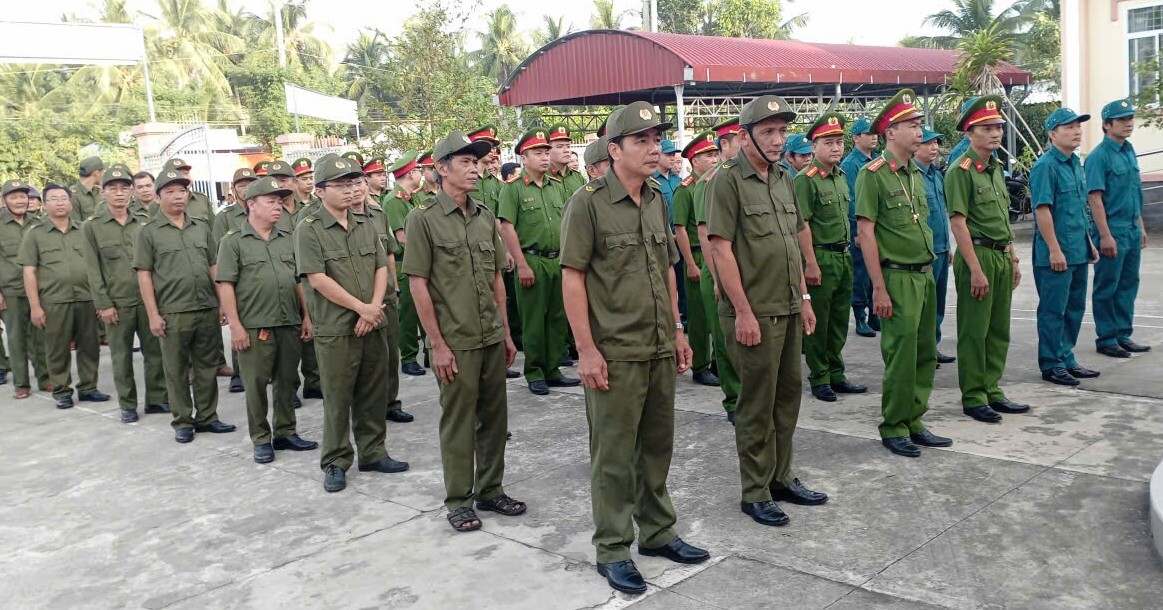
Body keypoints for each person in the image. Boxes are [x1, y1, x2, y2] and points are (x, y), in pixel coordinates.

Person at [562, 101, 709, 596]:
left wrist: (678, 328)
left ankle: (658, 532)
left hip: (657, 344)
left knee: (657, 446)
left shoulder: (656, 197)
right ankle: (613, 547)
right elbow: (573, 277)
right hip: (614, 350)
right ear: (615, 149)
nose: (654, 149)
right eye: (641, 141)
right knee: (613, 456)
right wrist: (585, 349)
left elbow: (667, 267)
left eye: (656, 140)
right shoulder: (587, 202)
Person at [707, 95, 827, 528]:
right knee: (757, 402)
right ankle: (754, 491)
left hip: (789, 307)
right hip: (754, 312)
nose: (778, 141)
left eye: (781, 132)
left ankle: (781, 477)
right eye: (769, 132)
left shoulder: (784, 177)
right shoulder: (726, 181)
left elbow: (792, 242)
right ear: (744, 136)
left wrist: (805, 300)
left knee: (788, 397)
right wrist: (741, 311)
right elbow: (719, 248)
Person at [405, 131, 523, 532]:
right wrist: (436, 344)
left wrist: (506, 333)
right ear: (442, 169)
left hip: (490, 335)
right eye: (465, 162)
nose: (475, 168)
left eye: (478, 162)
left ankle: (491, 490)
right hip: (455, 340)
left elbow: (495, 279)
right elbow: (418, 283)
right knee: (458, 422)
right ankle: (459, 499)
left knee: (495, 418)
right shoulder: (422, 219)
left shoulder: (485, 215)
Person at [296, 157, 409, 493]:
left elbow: (379, 267)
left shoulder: (365, 222)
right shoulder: (309, 228)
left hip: (373, 319)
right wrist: (361, 308)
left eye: (352, 183)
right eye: (339, 185)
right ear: (319, 191)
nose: (349, 190)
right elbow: (316, 279)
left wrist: (373, 308)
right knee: (338, 396)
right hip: (337, 327)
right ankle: (335, 460)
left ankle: (373, 451)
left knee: (373, 391)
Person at [855, 88, 953, 458]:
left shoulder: (917, 173)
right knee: (900, 354)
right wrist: (877, 288)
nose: (919, 130)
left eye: (918, 124)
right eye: (911, 125)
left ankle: (915, 419)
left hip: (925, 273)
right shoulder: (873, 175)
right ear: (890, 131)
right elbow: (866, 232)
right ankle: (894, 425)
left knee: (925, 352)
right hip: (895, 277)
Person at [217, 176, 319, 463]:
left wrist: (307, 316)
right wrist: (235, 326)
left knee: (288, 380)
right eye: (271, 202)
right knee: (256, 384)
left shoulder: (289, 239)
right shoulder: (233, 242)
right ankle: (261, 438)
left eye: (280, 202)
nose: (279, 207)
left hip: (288, 321)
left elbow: (299, 281)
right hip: (254, 324)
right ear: (251, 205)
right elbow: (226, 284)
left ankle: (286, 432)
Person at [135, 169, 236, 443]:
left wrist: (222, 303)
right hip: (172, 311)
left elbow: (214, 265)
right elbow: (144, 273)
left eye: (181, 191)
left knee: (206, 366)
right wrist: (153, 314)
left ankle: (207, 417)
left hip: (205, 306)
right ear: (157, 198)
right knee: (176, 369)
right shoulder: (149, 232)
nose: (178, 196)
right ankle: (182, 420)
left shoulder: (200, 226)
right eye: (170, 192)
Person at [945, 95, 1029, 424]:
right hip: (977, 255)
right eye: (987, 128)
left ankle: (993, 388)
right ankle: (974, 395)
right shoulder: (960, 170)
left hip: (1000, 255)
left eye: (998, 127)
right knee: (974, 330)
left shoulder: (994, 168)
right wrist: (976, 270)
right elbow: (958, 222)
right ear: (969, 132)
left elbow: (1001, 219)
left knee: (998, 329)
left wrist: (1013, 257)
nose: (995, 133)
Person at [496, 129, 580, 395]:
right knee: (533, 320)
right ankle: (534, 371)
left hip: (558, 260)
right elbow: (506, 227)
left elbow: (567, 223)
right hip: (532, 259)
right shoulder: (514, 189)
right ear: (523, 157)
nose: (544, 158)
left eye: (546, 152)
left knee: (557, 317)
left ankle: (552, 368)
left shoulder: (556, 187)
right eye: (537, 153)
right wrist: (521, 264)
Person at [83, 165, 169, 423]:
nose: (119, 194)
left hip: (147, 301)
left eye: (124, 188)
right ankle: (128, 405)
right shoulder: (93, 227)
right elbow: (92, 268)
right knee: (121, 357)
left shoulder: (144, 222)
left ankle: (156, 399)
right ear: (103, 192)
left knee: (155, 352)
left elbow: (156, 263)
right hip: (117, 303)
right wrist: (103, 304)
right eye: (113, 189)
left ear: (131, 192)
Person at [795, 113, 867, 402]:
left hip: (843, 256)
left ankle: (837, 373)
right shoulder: (806, 180)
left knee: (839, 320)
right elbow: (803, 225)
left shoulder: (840, 177)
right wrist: (810, 262)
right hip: (821, 258)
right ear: (814, 146)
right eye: (828, 142)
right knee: (819, 323)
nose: (836, 148)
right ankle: (820, 376)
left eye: (839, 142)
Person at [21, 183, 110, 409]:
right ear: (44, 204)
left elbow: (99, 265)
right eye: (54, 199)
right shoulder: (35, 234)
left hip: (87, 298)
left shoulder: (85, 230)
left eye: (63, 198)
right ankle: (61, 390)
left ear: (70, 203)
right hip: (54, 300)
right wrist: (35, 306)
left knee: (90, 345)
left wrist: (102, 299)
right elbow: (29, 271)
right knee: (57, 348)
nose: (60, 203)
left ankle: (89, 387)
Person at [1032, 108, 1102, 386]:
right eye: (1068, 127)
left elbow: (1077, 209)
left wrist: (1088, 244)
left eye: (1078, 127)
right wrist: (1054, 249)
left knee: (1074, 308)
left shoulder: (1074, 163)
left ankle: (1066, 357)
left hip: (1077, 250)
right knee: (1053, 310)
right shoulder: (1045, 166)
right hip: (1055, 254)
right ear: (1052, 134)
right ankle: (1051, 363)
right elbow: (1043, 210)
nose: (1076, 131)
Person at [1086, 99, 1151, 358]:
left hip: (1131, 228)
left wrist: (1141, 226)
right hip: (1111, 229)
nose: (1128, 124)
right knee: (1107, 285)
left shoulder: (1129, 150)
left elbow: (1134, 192)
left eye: (1130, 119)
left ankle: (1123, 333)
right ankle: (1107, 338)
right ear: (1106, 124)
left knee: (1128, 283)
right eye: (1122, 120)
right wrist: (1104, 235)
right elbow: (1095, 198)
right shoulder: (1098, 157)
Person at [351, 160, 413, 424]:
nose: (356, 189)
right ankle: (367, 408)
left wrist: (395, 286)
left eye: (359, 182)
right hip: (357, 299)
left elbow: (388, 252)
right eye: (349, 184)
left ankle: (391, 402)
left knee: (389, 353)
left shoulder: (378, 215)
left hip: (385, 295)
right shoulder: (338, 219)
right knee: (362, 361)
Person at [697, 117, 743, 422]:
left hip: (748, 271)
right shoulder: (711, 181)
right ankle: (735, 401)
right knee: (728, 343)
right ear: (725, 145)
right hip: (720, 270)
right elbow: (706, 234)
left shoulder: (751, 177)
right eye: (741, 139)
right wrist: (716, 277)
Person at [672, 131, 720, 387]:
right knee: (700, 317)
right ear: (694, 160)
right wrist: (690, 263)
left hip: (716, 253)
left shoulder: (716, 184)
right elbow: (680, 229)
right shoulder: (685, 190)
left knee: (718, 315)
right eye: (708, 156)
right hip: (696, 255)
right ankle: (700, 365)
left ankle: (717, 362)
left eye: (715, 154)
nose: (714, 159)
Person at [212, 168, 260, 394]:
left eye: (251, 183)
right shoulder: (225, 217)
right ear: (233, 189)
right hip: (237, 277)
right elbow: (219, 251)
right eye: (241, 185)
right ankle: (238, 374)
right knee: (238, 326)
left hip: (259, 275)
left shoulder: (263, 210)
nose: (246, 188)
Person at [0, 179, 49, 398]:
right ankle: (22, 383)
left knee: (41, 336)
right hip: (11, 291)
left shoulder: (37, 222)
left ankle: (45, 378)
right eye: (14, 197)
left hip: (38, 290)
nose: (20, 201)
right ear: (4, 201)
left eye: (23, 196)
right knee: (16, 338)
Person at [914, 128, 957, 365]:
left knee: (938, 303)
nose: (934, 148)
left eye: (936, 143)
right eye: (928, 143)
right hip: (925, 253)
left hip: (941, 249)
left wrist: (948, 246)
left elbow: (942, 213)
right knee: (924, 306)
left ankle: (933, 345)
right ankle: (922, 350)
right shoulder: (913, 177)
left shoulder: (937, 176)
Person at [385, 152, 427, 377]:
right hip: (405, 263)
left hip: (419, 261)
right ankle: (409, 357)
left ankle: (429, 353)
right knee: (409, 314)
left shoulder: (414, 198)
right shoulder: (394, 201)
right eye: (419, 170)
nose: (421, 173)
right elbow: (402, 237)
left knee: (425, 309)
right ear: (411, 173)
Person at [842, 117, 882, 338]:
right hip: (860, 229)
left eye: (875, 132)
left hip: (877, 228)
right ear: (856, 138)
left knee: (874, 271)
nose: (874, 136)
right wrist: (857, 230)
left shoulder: (877, 159)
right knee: (860, 273)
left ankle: (875, 314)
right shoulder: (850, 164)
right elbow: (852, 200)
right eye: (868, 133)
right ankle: (860, 316)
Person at [467, 126, 505, 213]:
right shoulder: (461, 179)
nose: (491, 150)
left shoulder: (497, 183)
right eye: (487, 145)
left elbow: (500, 216)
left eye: (492, 147)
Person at [548, 124, 587, 196]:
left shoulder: (578, 177)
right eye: (560, 147)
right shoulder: (543, 177)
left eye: (568, 146)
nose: (566, 150)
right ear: (548, 151)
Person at [68, 156, 104, 223]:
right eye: (101, 171)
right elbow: (75, 226)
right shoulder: (73, 195)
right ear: (96, 173)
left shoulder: (99, 192)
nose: (103, 174)